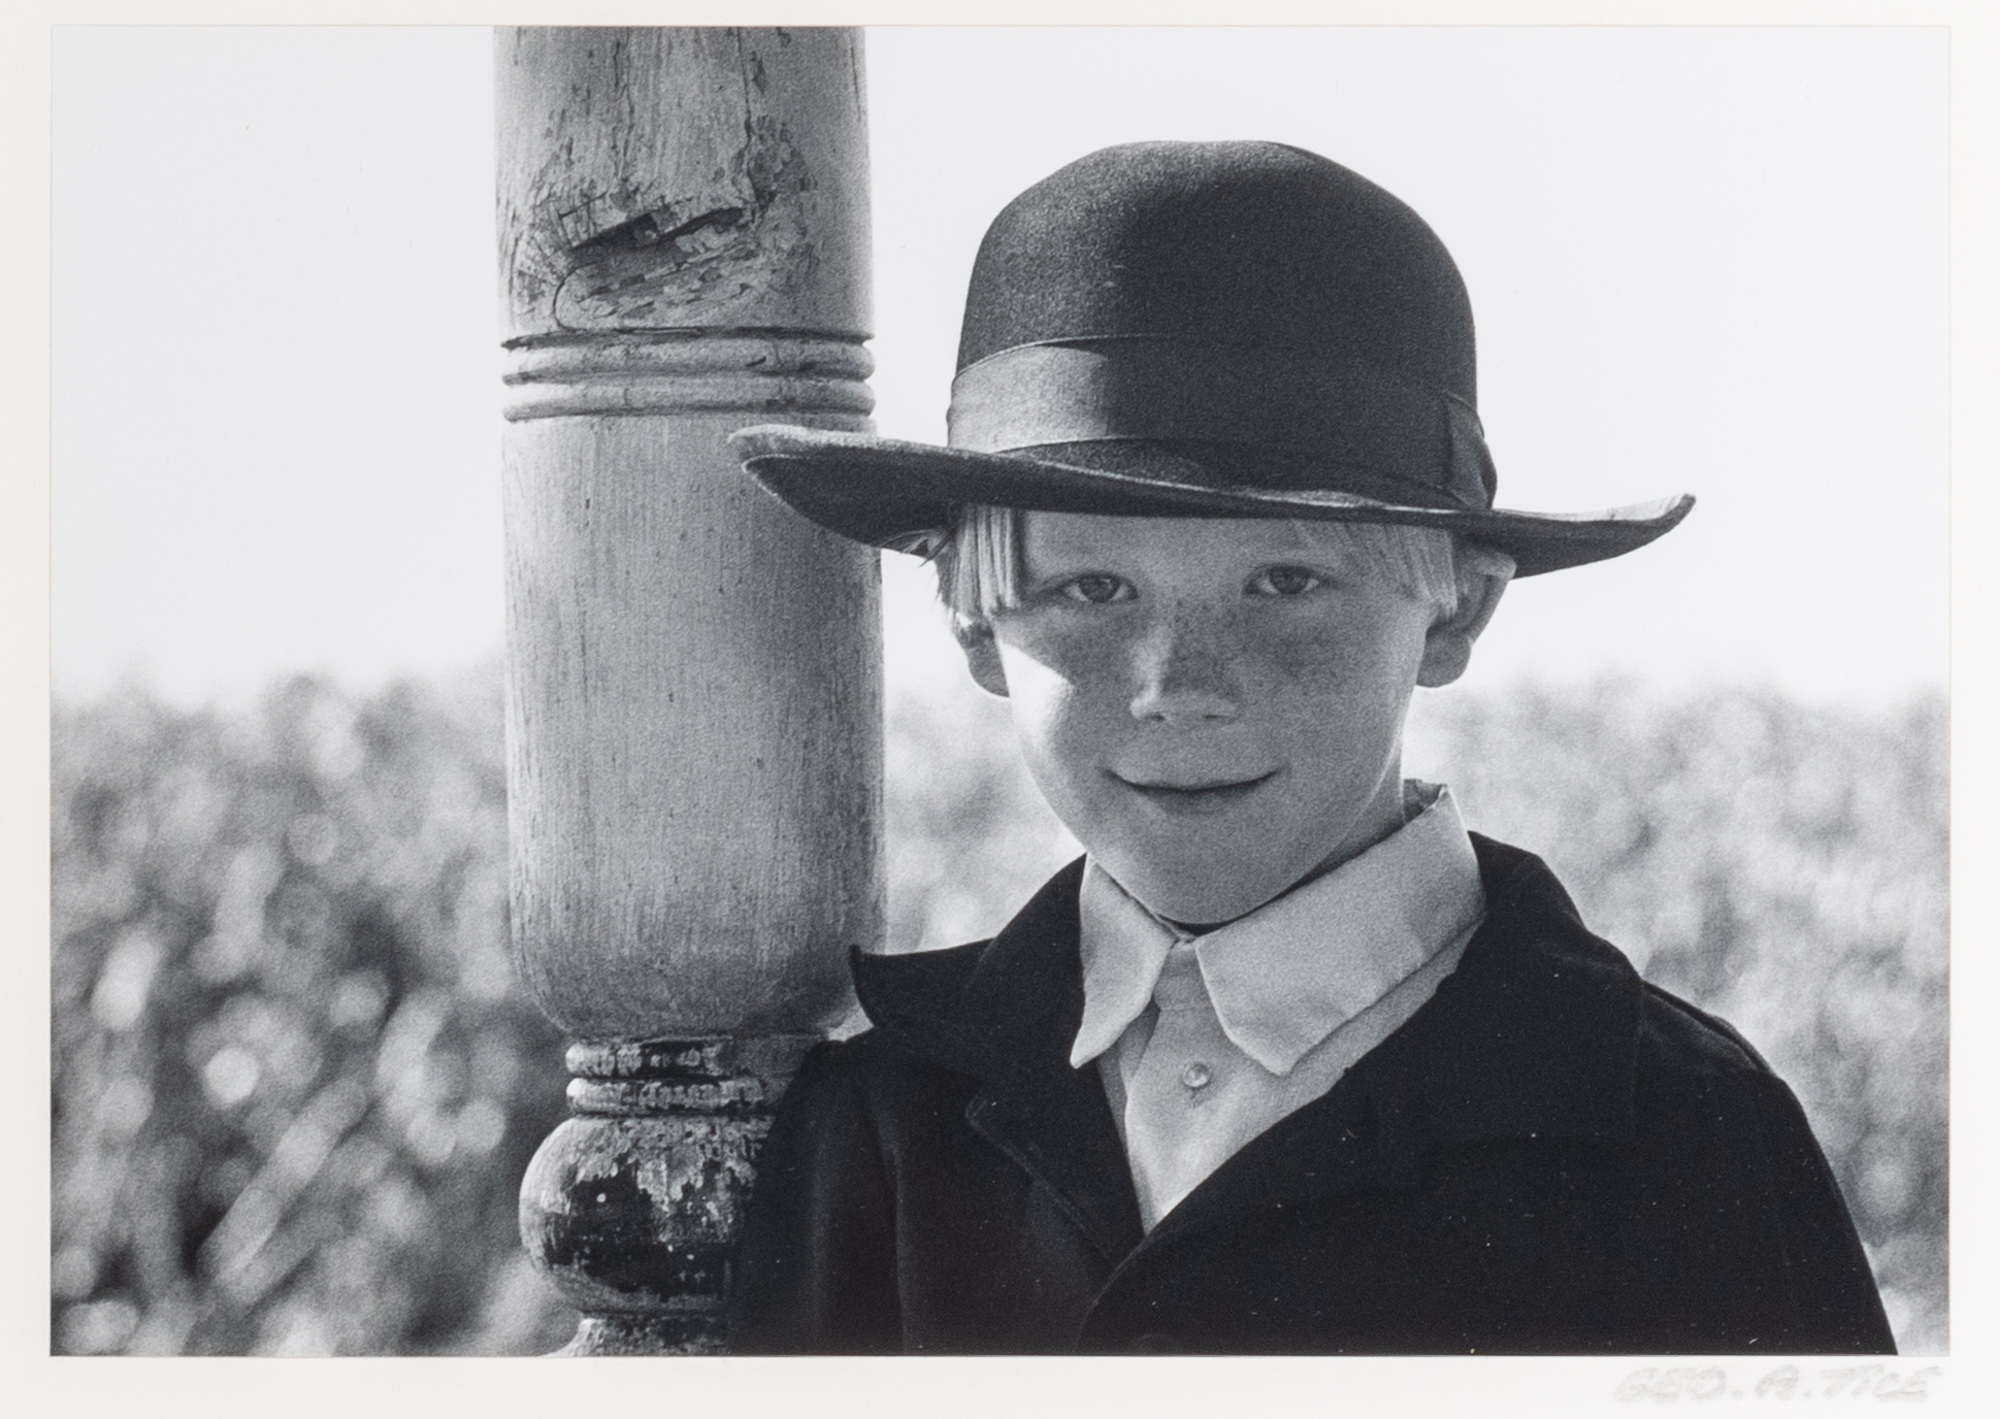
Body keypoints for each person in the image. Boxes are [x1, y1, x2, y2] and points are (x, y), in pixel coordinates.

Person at [723, 141, 1894, 1355]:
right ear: (975, 633)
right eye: (1091, 589)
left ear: (1455, 613)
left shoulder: (1674, 1129)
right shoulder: (885, 1117)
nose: (1178, 688)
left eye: (1283, 583)